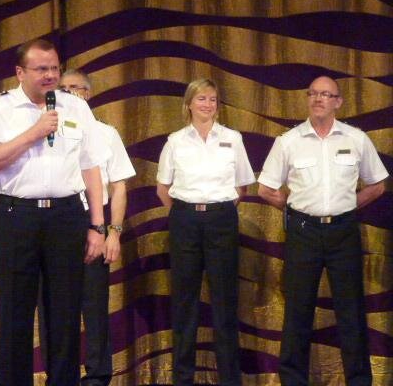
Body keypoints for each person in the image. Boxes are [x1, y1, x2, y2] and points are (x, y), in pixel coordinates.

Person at [0, 39, 107, 386]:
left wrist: (98, 225)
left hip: (66, 216)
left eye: (54, 68)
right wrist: (33, 133)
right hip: (18, 216)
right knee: (15, 312)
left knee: (65, 314)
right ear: (20, 72)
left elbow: (91, 167)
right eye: (41, 69)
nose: (50, 75)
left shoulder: (76, 107)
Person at [257, 76, 388, 386]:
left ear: (338, 102)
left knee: (351, 312)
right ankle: (293, 381)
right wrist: (296, 210)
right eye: (313, 94)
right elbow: (266, 189)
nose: (318, 99)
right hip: (303, 233)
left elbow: (378, 185)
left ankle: (359, 381)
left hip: (343, 233)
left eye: (326, 95)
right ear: (307, 98)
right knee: (298, 312)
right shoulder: (288, 141)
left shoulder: (356, 139)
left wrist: (347, 206)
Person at [156, 79, 255, 386]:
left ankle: (230, 380)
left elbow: (242, 186)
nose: (207, 104)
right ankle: (183, 379)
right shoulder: (175, 141)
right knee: (184, 303)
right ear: (189, 104)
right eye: (201, 99)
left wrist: (216, 210)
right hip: (185, 220)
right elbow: (162, 189)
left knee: (224, 303)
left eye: (212, 99)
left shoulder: (232, 138)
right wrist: (187, 213)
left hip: (221, 220)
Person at [59, 70, 136, 386]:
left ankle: (98, 376)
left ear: (88, 93)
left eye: (74, 88)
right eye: (62, 88)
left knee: (94, 305)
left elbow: (118, 186)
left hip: (95, 221)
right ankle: (60, 375)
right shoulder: (48, 132)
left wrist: (113, 231)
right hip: (58, 221)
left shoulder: (106, 133)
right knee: (56, 307)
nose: (67, 93)